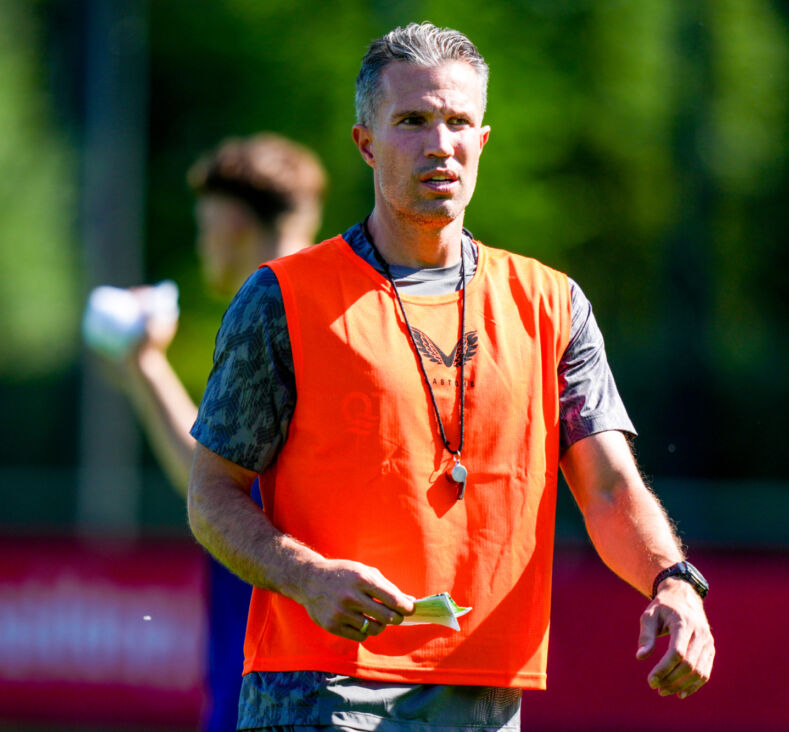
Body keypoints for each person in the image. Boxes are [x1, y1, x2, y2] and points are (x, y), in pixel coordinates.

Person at [186, 22, 714, 732]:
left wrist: (673, 581)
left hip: (485, 694)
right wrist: (308, 578)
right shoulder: (283, 298)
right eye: (412, 121)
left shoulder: (551, 303)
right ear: (366, 143)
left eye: (458, 121)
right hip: (318, 689)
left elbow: (612, 488)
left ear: (482, 142)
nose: (440, 144)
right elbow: (210, 494)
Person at [86, 133, 327, 732]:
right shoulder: (347, 306)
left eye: (204, 225)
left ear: (235, 221)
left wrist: (144, 363)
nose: (202, 243)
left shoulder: (273, 309)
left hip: (280, 665)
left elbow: (212, 483)